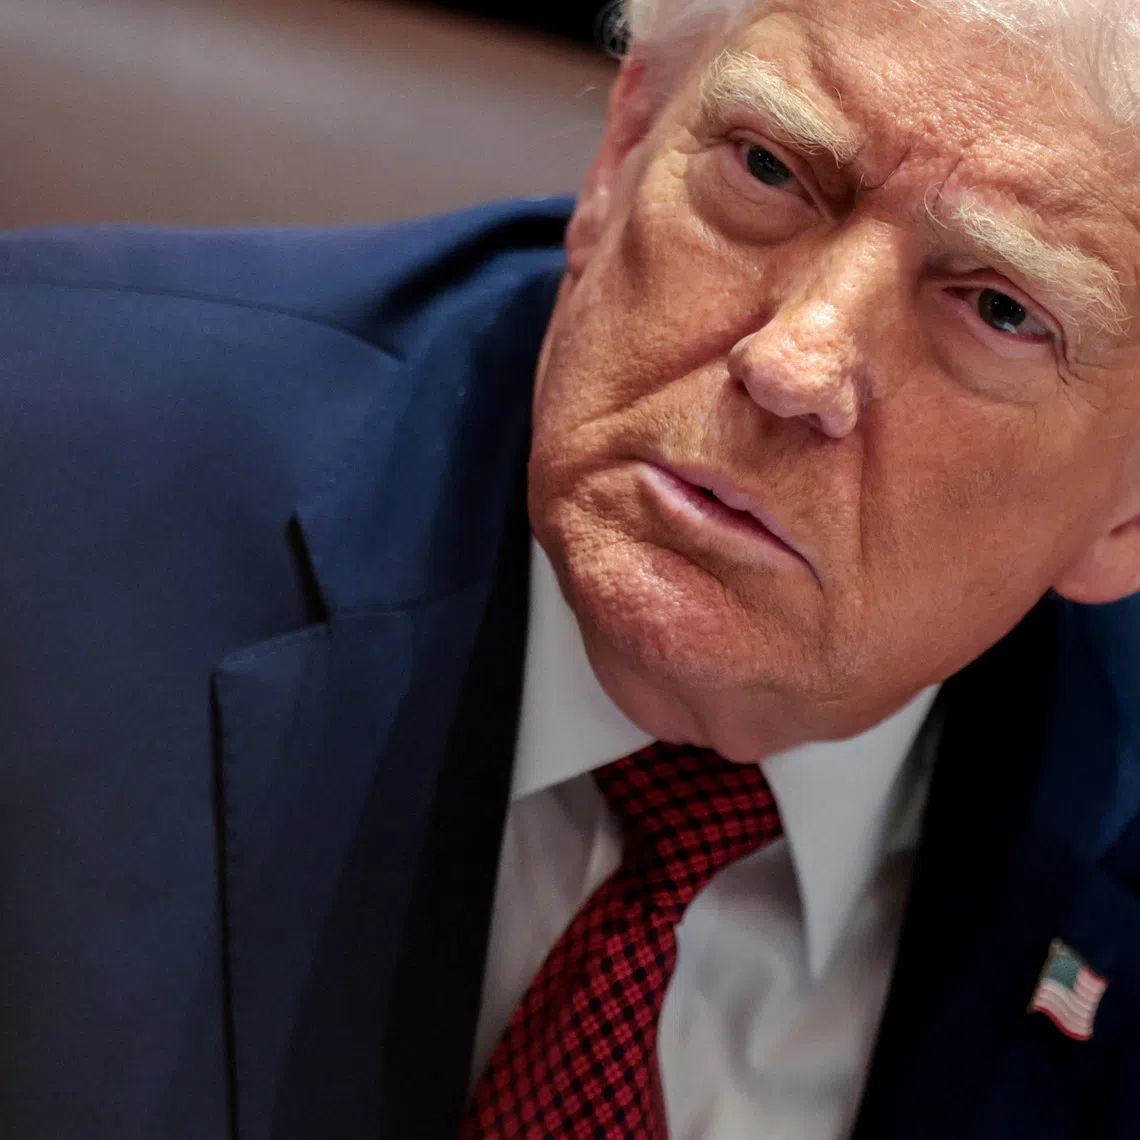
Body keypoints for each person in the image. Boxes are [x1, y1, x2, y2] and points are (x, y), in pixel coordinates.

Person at [0, 0, 1138, 1136]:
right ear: (624, 146)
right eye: (767, 168)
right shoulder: (39, 468)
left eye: (999, 309)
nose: (793, 363)